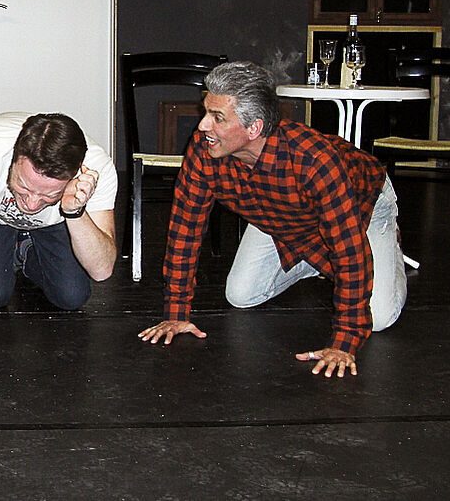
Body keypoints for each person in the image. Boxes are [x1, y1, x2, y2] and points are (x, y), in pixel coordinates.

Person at [139, 61, 407, 378]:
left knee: (378, 318)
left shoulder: (314, 160)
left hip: (364, 204)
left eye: (217, 117)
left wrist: (344, 341)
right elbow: (185, 229)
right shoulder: (204, 150)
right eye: (206, 112)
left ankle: (386, 246)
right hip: (276, 211)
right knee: (241, 296)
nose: (202, 126)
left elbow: (348, 249)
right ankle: (315, 260)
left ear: (254, 128)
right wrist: (176, 312)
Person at [0, 112, 118, 377]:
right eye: (24, 187)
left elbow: (102, 270)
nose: (32, 204)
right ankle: (17, 242)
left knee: (72, 296)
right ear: (14, 159)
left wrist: (75, 211)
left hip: (55, 222)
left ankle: (24, 250)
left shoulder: (96, 169)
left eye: (49, 194)